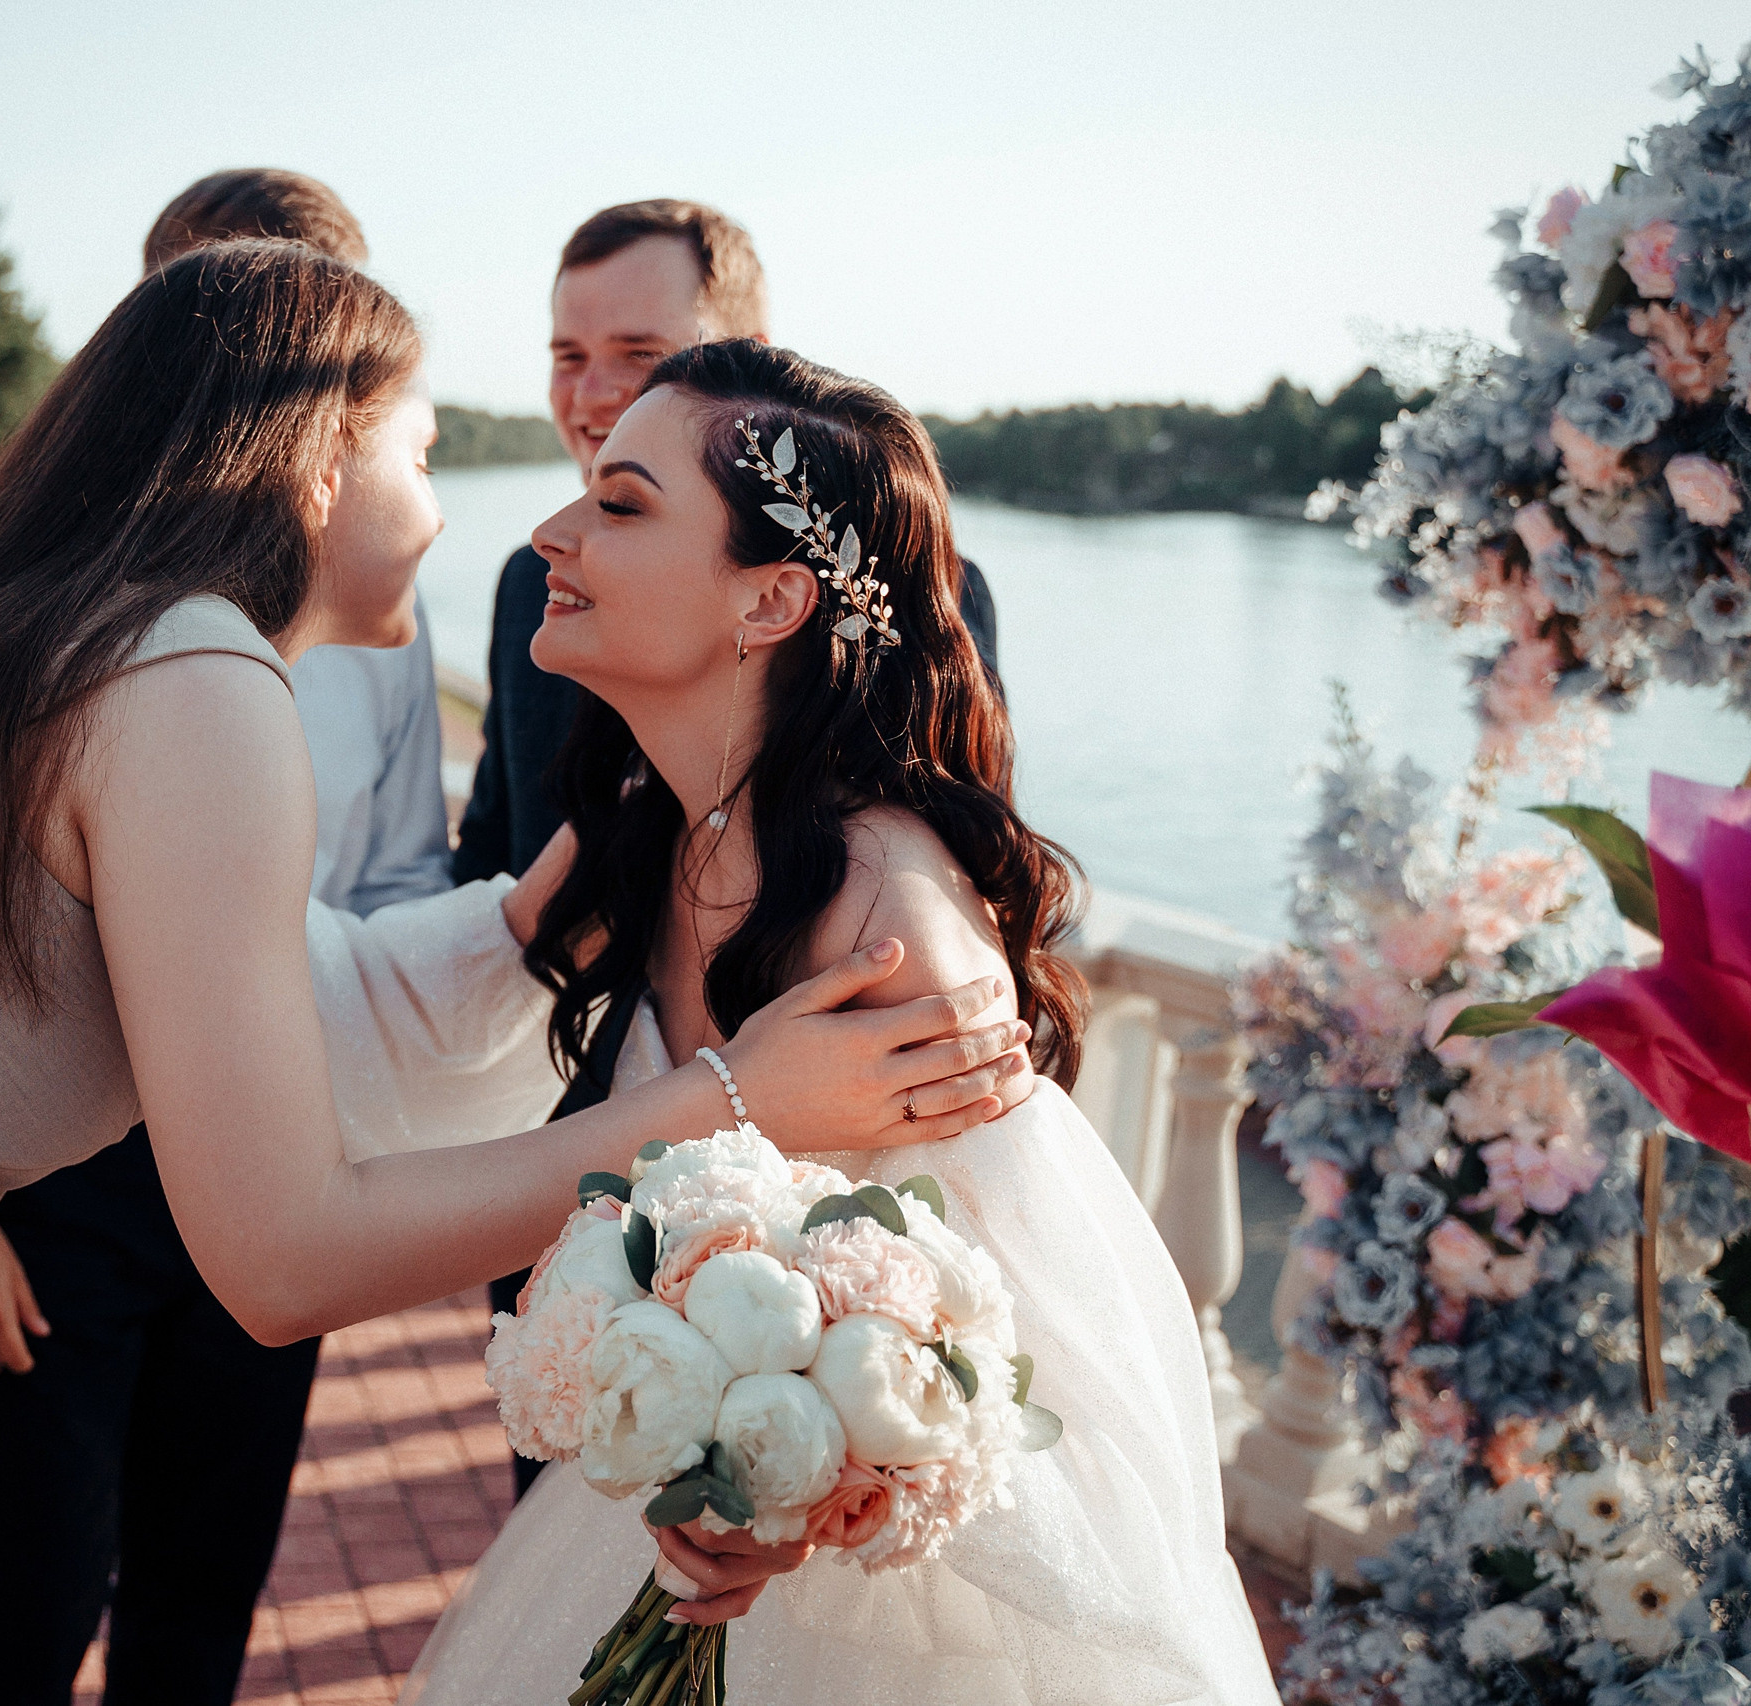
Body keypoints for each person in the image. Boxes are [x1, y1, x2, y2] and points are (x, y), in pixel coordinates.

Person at [0, 241, 1034, 1703]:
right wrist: (729, 1101)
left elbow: (294, 994)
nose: (479, 516)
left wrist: (543, 926)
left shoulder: (44, 632)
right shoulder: (196, 670)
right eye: (424, 451)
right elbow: (283, 1253)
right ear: (324, 459)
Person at [401, 341, 1277, 1704]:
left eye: (621, 504)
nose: (551, 531)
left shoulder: (890, 924)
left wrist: (807, 1487)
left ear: (771, 599)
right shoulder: (652, 826)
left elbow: (1053, 1398)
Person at [0, 169, 455, 1706]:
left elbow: (399, 874)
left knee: (202, 1589)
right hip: (43, 1174)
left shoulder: (384, 607)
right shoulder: (3, 556)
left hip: (275, 1127)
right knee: (7, 1605)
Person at [452, 199, 1007, 1497]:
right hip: (563, 1185)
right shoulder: (540, 592)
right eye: (566, 355)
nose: (592, 392)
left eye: (637, 356)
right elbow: (496, 854)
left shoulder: (883, 870)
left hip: (803, 1306)